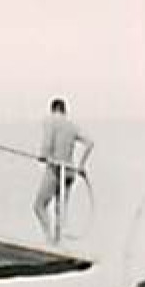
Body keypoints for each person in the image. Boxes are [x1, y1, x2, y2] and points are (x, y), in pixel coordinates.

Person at [33, 98, 93, 243]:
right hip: (69, 171)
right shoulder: (71, 126)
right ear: (64, 110)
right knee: (60, 210)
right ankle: (57, 242)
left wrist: (42, 155)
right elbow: (90, 143)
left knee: (39, 205)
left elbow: (47, 143)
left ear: (53, 109)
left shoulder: (51, 121)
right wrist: (80, 165)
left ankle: (49, 239)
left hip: (56, 168)